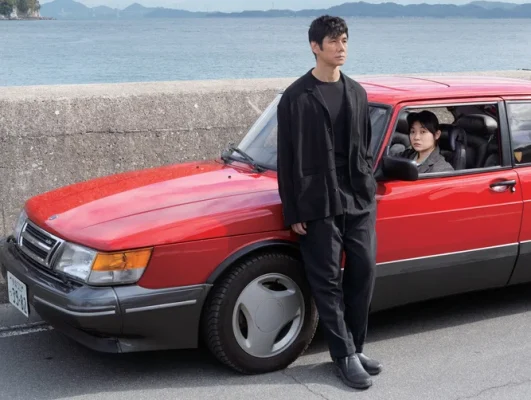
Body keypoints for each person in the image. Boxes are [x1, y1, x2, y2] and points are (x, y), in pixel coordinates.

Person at [276, 15, 381, 390]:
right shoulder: (295, 97)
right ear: (315, 47)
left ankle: (356, 347)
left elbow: (364, 146)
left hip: (357, 198)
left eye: (345, 41)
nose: (341, 48)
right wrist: (293, 209)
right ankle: (343, 355)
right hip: (317, 201)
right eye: (334, 41)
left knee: (364, 270)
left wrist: (367, 184)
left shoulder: (357, 92)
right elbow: (286, 158)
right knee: (327, 280)